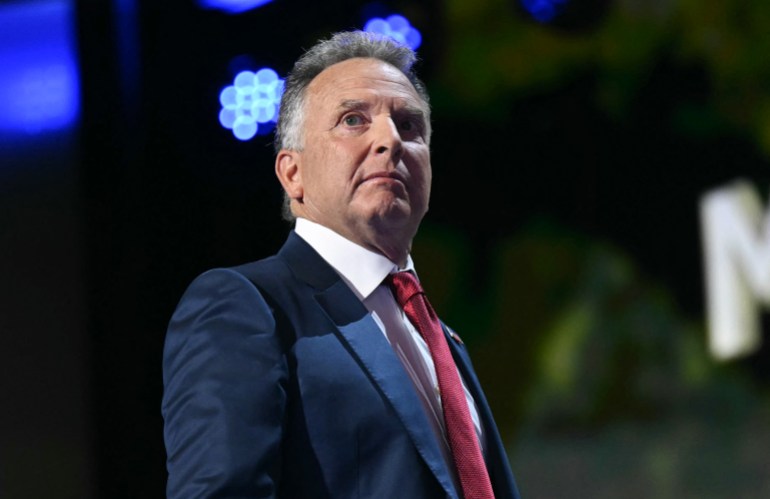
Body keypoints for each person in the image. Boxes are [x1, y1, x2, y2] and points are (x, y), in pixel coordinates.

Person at [162, 31, 521, 499]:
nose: (390, 140)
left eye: (409, 126)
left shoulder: (444, 340)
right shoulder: (245, 305)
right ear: (293, 173)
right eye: (354, 120)